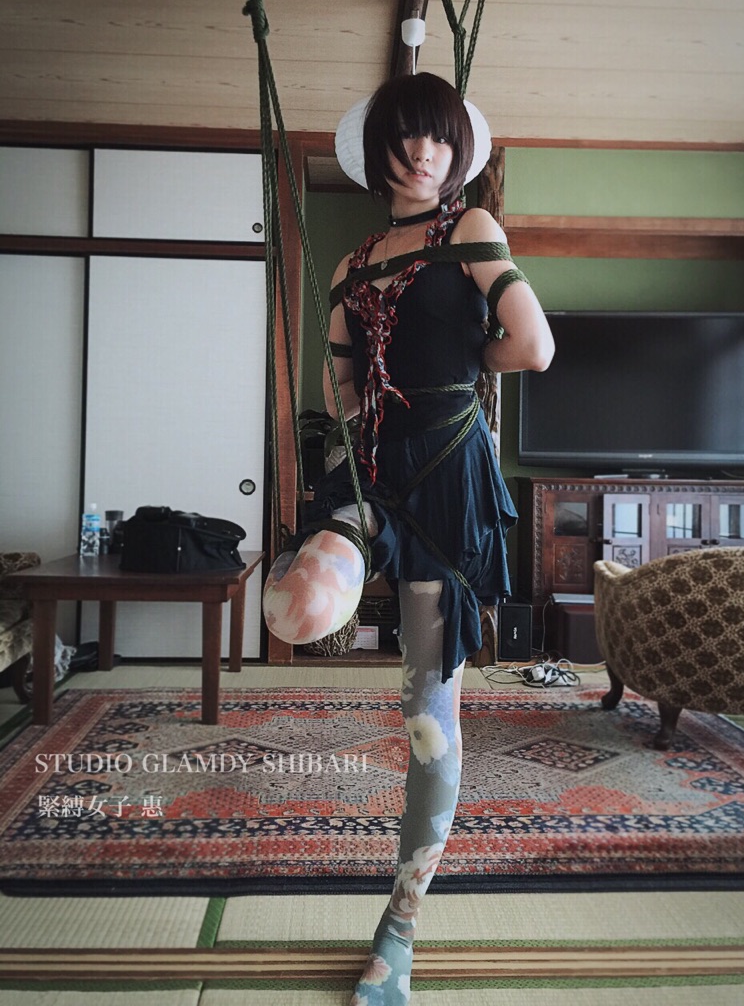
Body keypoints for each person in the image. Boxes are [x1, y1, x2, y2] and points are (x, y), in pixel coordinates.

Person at [263, 71, 554, 1006]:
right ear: (380, 147)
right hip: (371, 477)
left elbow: (533, 345)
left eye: (439, 136)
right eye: (407, 135)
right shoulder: (351, 263)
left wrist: (469, 364)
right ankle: (327, 575)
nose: (424, 152)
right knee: (296, 610)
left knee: (428, 718)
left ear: (456, 150)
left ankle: (398, 929)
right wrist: (358, 419)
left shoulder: (470, 230)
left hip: (448, 488)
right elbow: (340, 384)